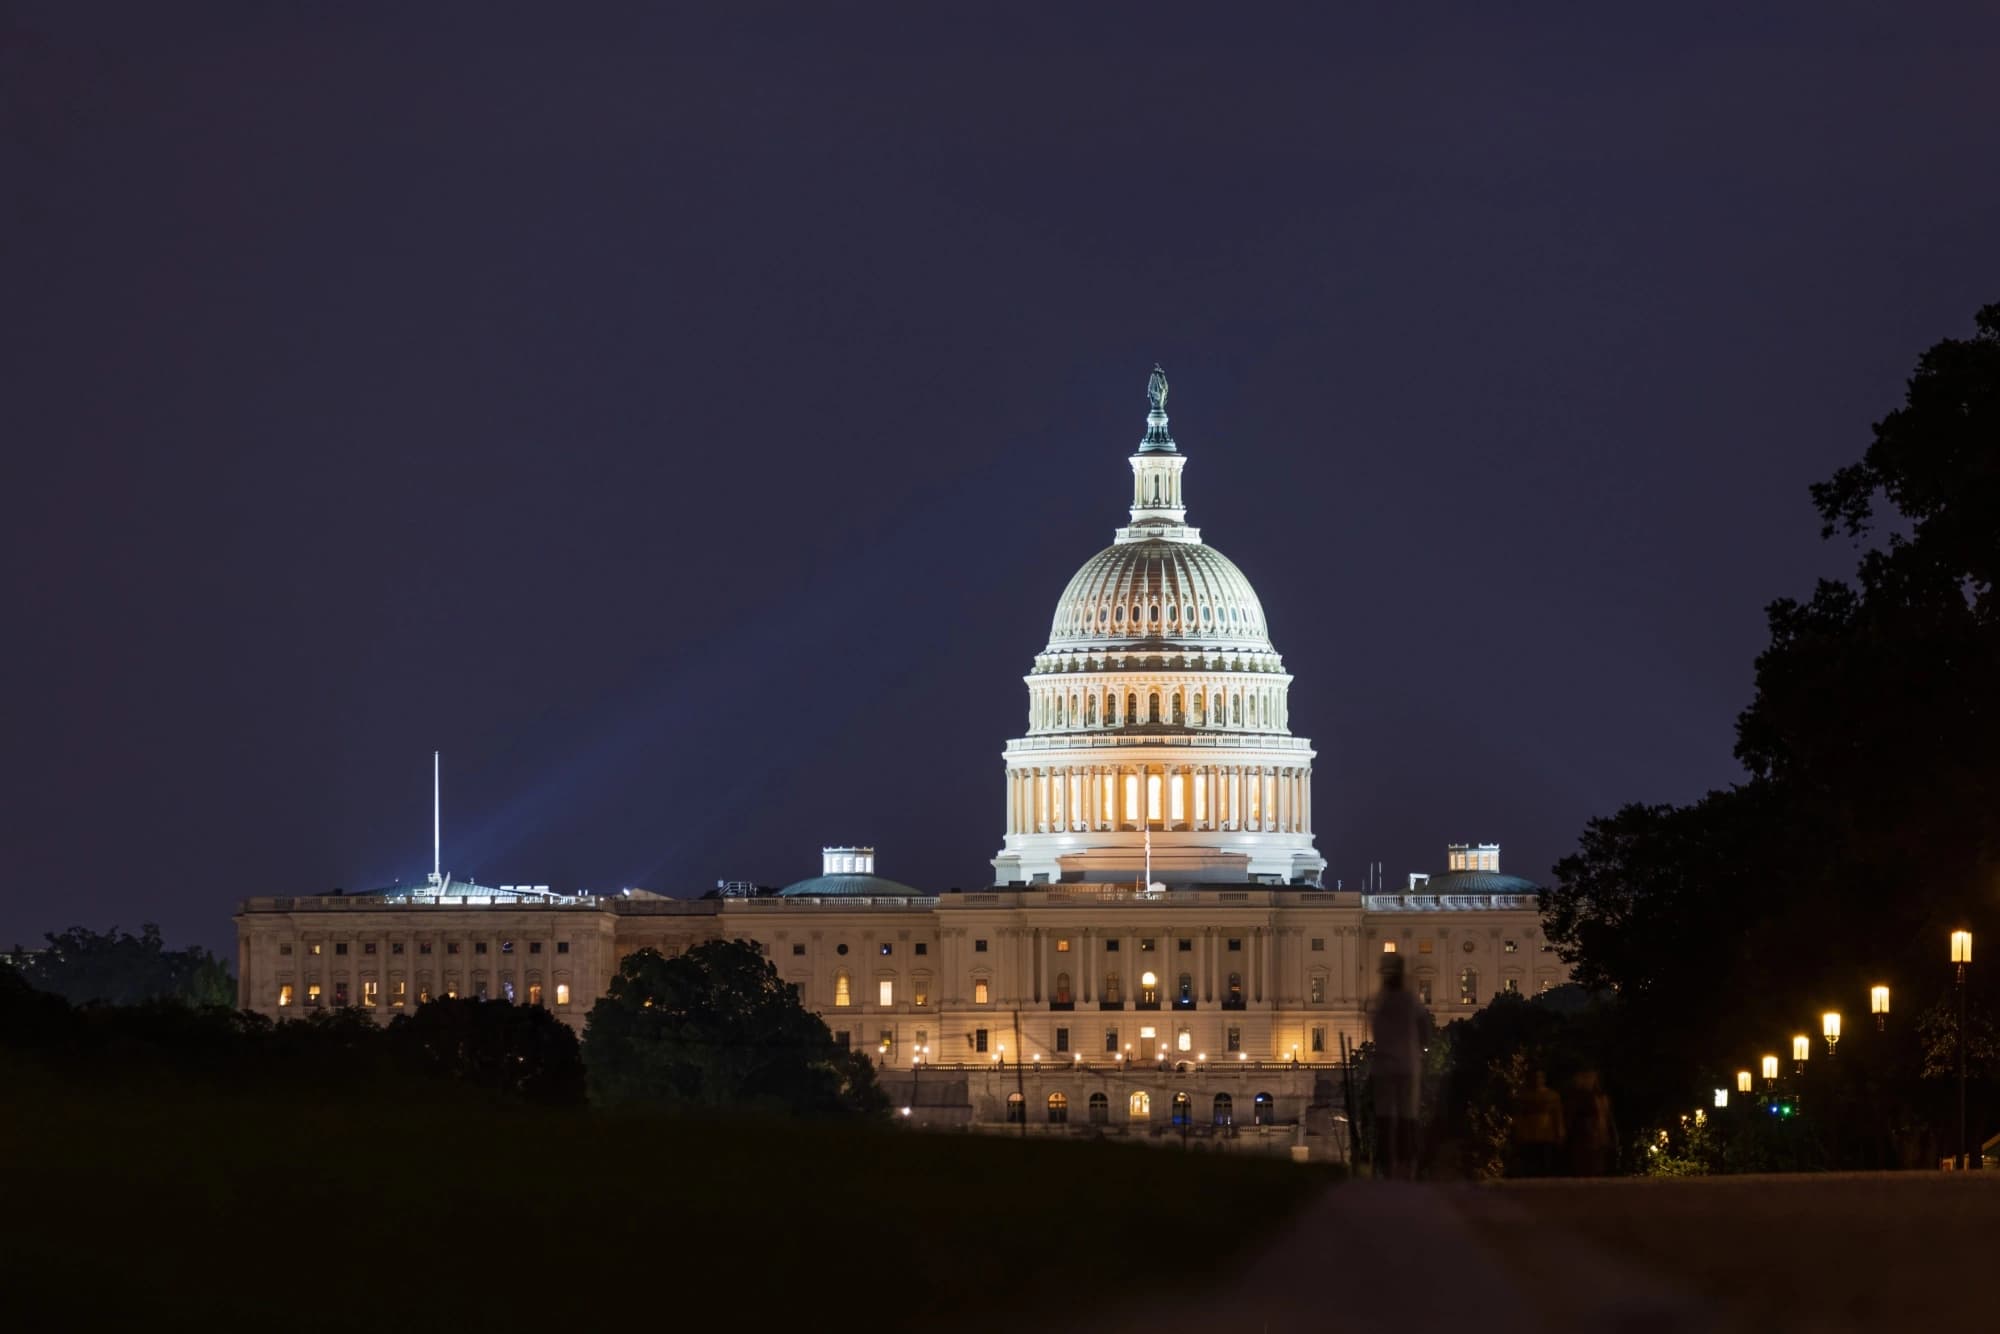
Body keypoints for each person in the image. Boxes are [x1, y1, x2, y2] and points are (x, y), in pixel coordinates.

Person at [1369, 953, 1425, 1180]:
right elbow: (1425, 1032)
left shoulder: (1379, 1001)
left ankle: (1386, 1168)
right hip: (1407, 1066)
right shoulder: (1411, 1000)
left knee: (1385, 1119)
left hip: (1384, 1067)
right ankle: (1405, 1167)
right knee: (1406, 1118)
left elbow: (1375, 1032)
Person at [1509, 1069, 1566, 1176]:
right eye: (1534, 1077)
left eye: (1539, 1077)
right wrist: (1517, 1132)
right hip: (1528, 1135)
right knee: (1530, 1162)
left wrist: (1559, 1132)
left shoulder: (1552, 1095)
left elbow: (1557, 1115)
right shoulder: (1523, 1096)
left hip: (1546, 1135)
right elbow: (1519, 1116)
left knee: (1545, 1162)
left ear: (1543, 1079)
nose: (1537, 1080)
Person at [1564, 1069, 1616, 1177]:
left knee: (1598, 1159)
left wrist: (1611, 1132)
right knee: (1587, 1160)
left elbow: (1607, 1116)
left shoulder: (1601, 1098)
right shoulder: (1580, 1098)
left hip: (1599, 1133)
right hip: (1587, 1134)